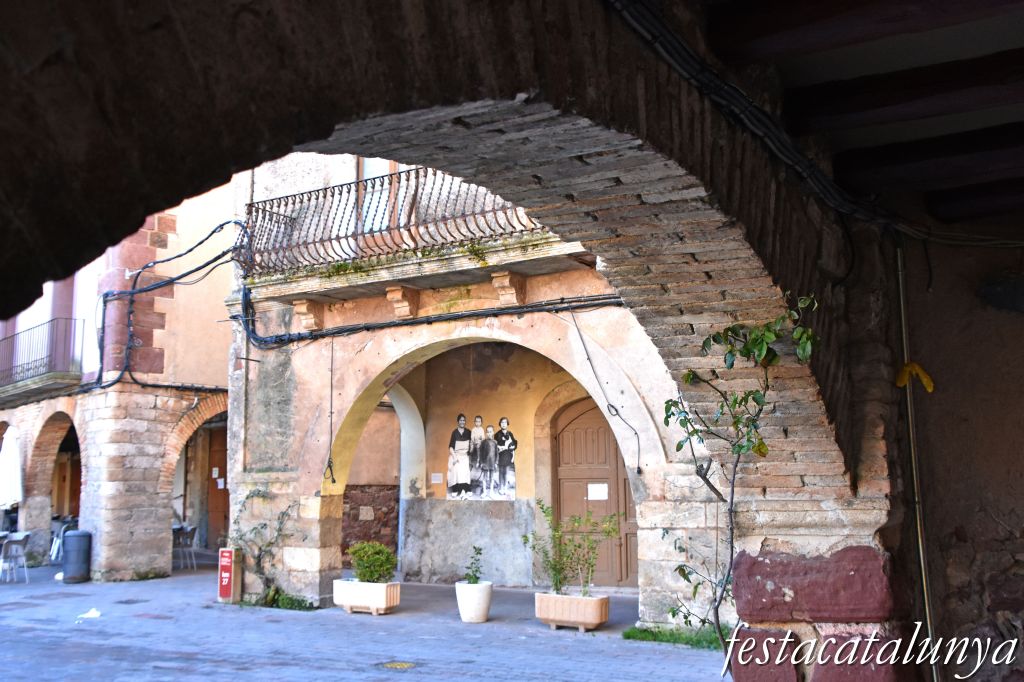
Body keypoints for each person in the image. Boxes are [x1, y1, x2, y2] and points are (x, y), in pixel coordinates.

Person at [448, 413, 473, 499]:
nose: (462, 422)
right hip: (456, 455)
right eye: (461, 420)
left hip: (465, 455)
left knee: (465, 470)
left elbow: (471, 446)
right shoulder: (454, 432)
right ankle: (455, 489)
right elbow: (451, 447)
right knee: (456, 469)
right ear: (458, 422)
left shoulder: (469, 432)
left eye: (463, 420)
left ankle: (465, 489)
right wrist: (454, 457)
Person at [494, 416, 517, 495]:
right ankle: (500, 487)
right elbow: (495, 444)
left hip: (507, 455)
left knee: (506, 472)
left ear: (507, 424)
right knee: (501, 472)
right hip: (500, 455)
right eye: (502, 422)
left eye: (505, 422)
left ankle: (505, 488)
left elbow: (514, 443)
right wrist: (499, 447)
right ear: (500, 424)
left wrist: (513, 446)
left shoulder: (510, 434)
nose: (503, 424)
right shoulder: (497, 434)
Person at [478, 425, 499, 497]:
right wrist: (481, 462)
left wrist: (496, 462)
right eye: (488, 432)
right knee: (484, 477)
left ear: (493, 432)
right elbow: (480, 453)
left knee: (492, 477)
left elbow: (497, 453)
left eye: (491, 432)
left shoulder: (495, 442)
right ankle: (484, 492)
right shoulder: (483, 442)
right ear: (486, 433)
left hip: (492, 463)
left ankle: (491, 492)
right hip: (485, 463)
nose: (489, 433)